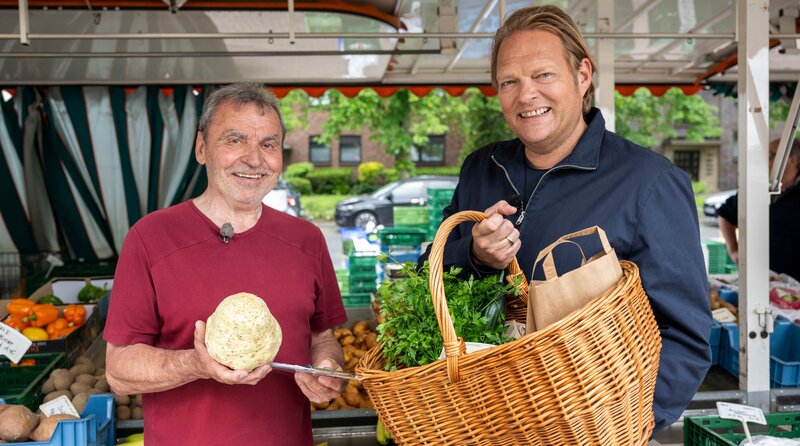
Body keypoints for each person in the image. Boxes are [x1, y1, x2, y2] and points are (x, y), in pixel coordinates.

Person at [418, 5, 711, 433]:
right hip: (482, 424)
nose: (526, 95)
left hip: (591, 430)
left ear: (583, 75)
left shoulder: (649, 182)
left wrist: (624, 428)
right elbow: (427, 278)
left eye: (543, 75)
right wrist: (475, 255)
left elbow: (685, 336)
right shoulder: (480, 169)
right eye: (509, 82)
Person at [104, 83, 348, 445]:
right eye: (235, 140)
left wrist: (327, 367)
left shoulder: (306, 240)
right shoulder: (150, 238)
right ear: (202, 148)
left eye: (269, 144)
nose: (254, 158)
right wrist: (196, 364)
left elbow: (322, 336)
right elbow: (119, 370)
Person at [718, 138, 800, 280]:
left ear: (792, 160)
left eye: (770, 155)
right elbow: (725, 214)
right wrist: (734, 250)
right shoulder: (757, 187)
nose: (764, 162)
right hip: (758, 282)